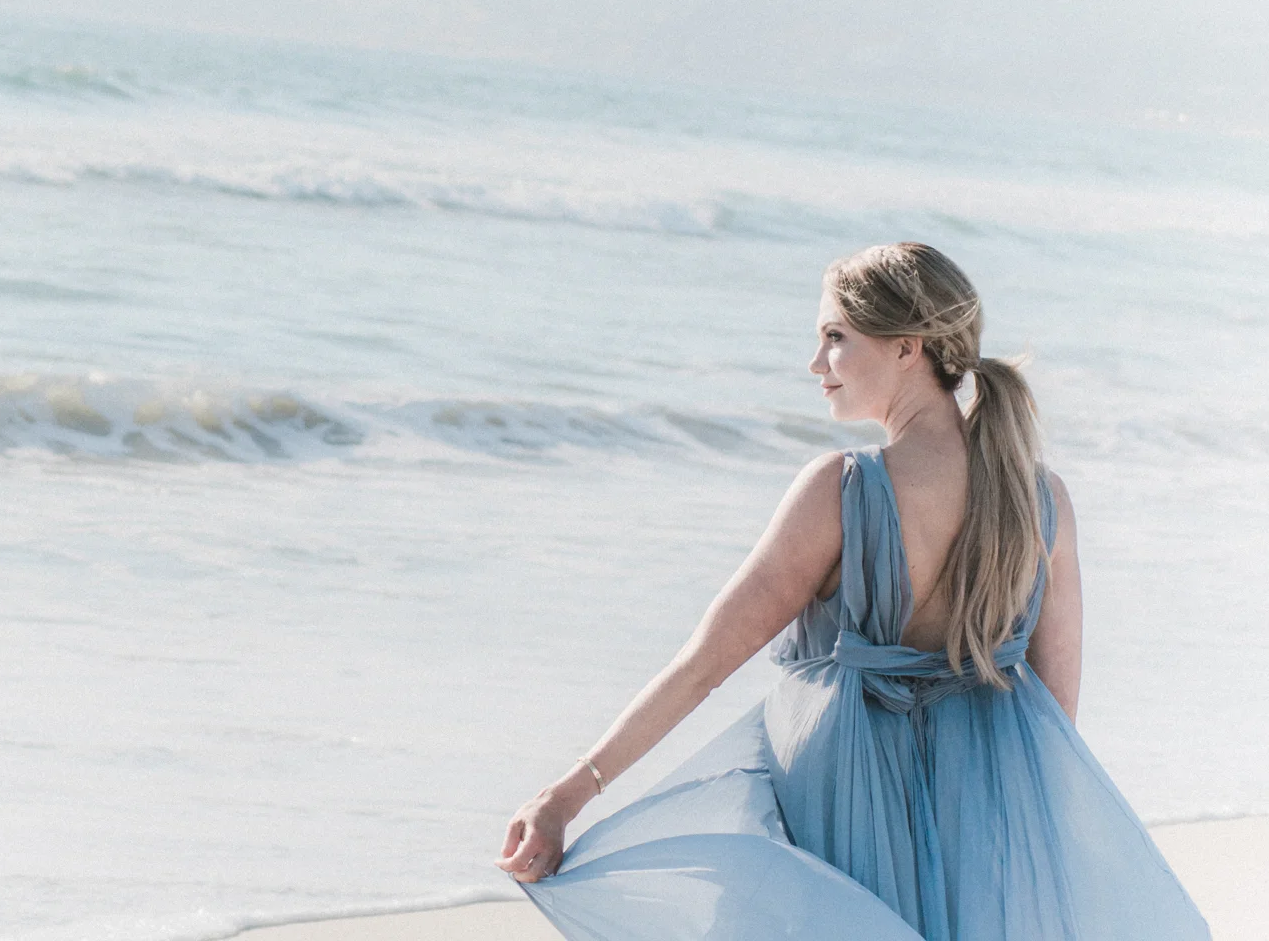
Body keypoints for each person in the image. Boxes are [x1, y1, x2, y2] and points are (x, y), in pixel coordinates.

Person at [495, 243, 1208, 940]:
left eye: (835, 337)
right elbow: (1055, 718)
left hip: (841, 794)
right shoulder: (1042, 499)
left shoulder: (841, 489)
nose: (816, 363)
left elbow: (703, 665)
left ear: (907, 348)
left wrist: (569, 794)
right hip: (985, 805)